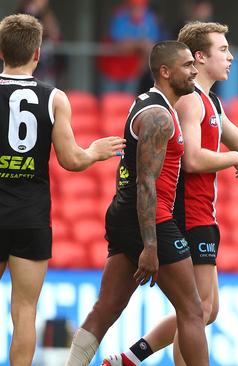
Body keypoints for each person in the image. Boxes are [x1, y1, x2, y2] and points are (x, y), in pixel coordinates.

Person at [102, 21, 238, 366]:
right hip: (188, 214)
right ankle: (129, 359)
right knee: (197, 310)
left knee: (205, 310)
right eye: (222, 50)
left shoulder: (209, 101)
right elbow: (193, 159)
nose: (230, 57)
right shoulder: (191, 103)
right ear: (199, 57)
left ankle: (129, 358)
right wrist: (232, 158)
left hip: (202, 214)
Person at [65, 41, 209, 366]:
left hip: (128, 214)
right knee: (193, 309)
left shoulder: (156, 105)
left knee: (108, 307)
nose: (194, 70)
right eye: (187, 65)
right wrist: (151, 245)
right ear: (165, 71)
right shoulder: (158, 116)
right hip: (149, 217)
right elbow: (146, 182)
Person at [0, 14, 125, 366]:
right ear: (38, 53)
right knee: (24, 310)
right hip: (31, 215)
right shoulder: (54, 98)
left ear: (1, 51)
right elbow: (71, 160)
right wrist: (96, 152)